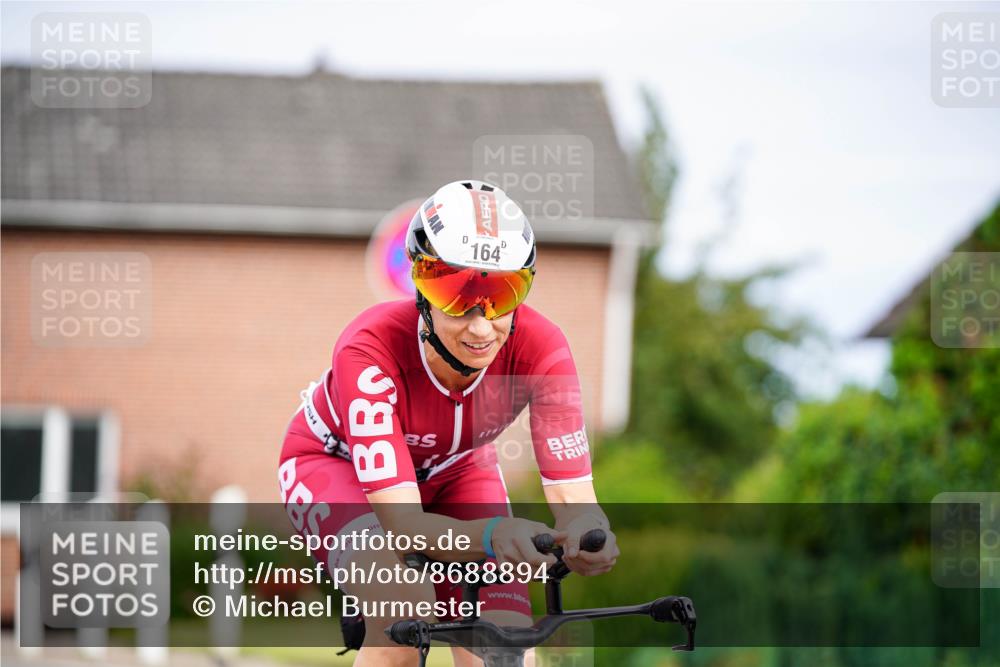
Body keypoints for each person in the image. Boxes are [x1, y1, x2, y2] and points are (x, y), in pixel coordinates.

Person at [278, 180, 618, 666]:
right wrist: (492, 535)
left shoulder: (543, 349)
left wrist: (591, 534)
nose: (481, 327)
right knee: (402, 607)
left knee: (505, 641)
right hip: (335, 465)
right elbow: (406, 528)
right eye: (457, 296)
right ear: (421, 288)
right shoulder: (368, 349)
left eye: (502, 295)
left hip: (458, 468)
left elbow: (575, 501)